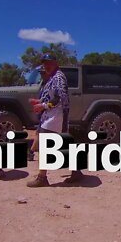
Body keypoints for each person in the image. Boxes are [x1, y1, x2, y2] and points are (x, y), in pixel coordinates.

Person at [26, 54, 84, 187]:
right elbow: (51, 97)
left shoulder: (58, 77)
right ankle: (76, 171)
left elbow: (60, 97)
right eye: (44, 63)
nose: (46, 66)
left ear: (55, 63)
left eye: (49, 63)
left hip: (56, 117)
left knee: (45, 144)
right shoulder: (52, 77)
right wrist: (40, 102)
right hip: (51, 116)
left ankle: (42, 177)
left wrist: (43, 106)